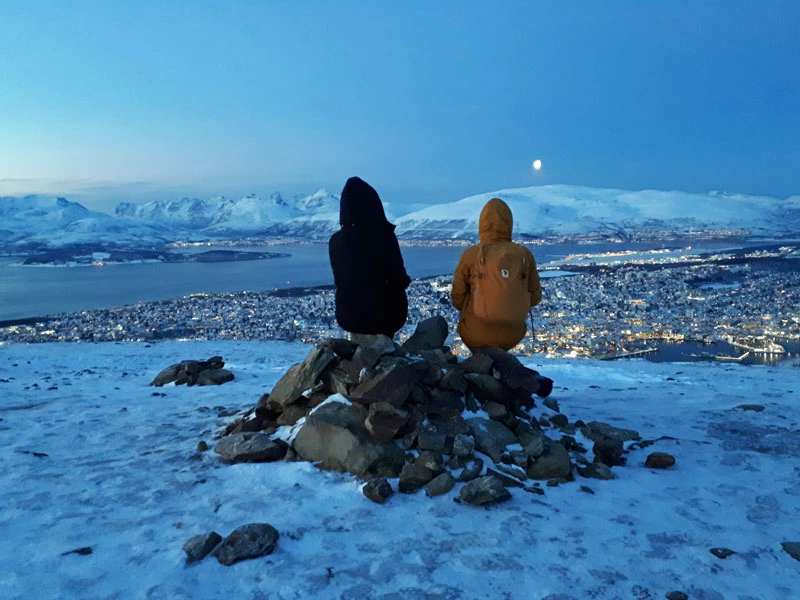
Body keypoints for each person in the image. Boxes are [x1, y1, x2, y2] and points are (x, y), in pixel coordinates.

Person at [451, 197, 542, 351]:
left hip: (474, 333)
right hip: (513, 334)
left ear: (482, 224)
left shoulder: (471, 255)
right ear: (509, 224)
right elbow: (535, 297)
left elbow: (457, 297)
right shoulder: (524, 255)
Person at [328, 176, 411, 338]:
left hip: (348, 317)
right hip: (387, 318)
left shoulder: (335, 241)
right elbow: (398, 277)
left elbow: (340, 280)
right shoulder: (383, 236)